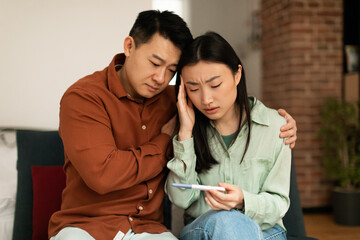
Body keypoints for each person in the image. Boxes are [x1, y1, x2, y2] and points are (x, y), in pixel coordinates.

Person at [49, 10, 296, 240]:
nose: (160, 78)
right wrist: (164, 140)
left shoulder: (181, 101)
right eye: (155, 63)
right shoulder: (85, 98)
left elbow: (227, 105)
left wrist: (282, 123)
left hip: (150, 231)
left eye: (171, 70)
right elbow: (103, 176)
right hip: (86, 228)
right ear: (129, 46)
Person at [165, 32, 292, 240]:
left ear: (237, 74)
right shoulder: (185, 130)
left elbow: (279, 204)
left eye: (215, 85)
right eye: (194, 89)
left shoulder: (276, 127)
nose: (206, 99)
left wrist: (243, 201)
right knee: (226, 221)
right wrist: (185, 134)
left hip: (266, 231)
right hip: (203, 231)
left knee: (234, 223)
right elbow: (181, 198)